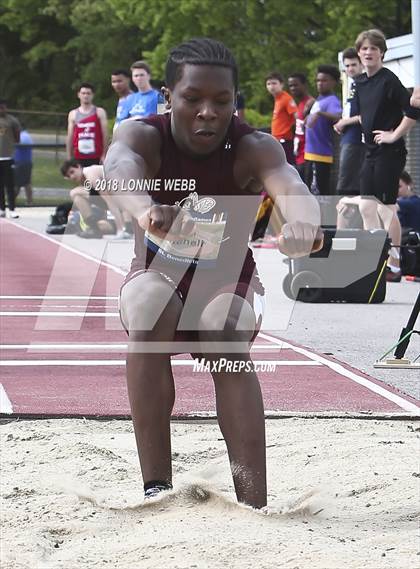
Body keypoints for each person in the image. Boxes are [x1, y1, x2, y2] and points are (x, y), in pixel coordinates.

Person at [104, 38, 322, 509]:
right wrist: (144, 210)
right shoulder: (142, 134)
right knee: (149, 305)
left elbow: (289, 183)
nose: (208, 112)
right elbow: (118, 167)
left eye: (221, 102)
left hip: (230, 284)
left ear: (235, 103)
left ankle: (253, 503)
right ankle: (156, 489)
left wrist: (304, 220)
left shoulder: (252, 146)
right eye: (193, 99)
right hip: (157, 278)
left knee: (223, 329)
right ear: (168, 97)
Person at [335, 29, 420, 282]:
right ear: (358, 53)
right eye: (364, 49)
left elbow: (413, 111)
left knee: (387, 208)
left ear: (382, 52)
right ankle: (374, 260)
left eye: (373, 48)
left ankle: (394, 264)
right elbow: (364, 115)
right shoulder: (360, 82)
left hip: (390, 152)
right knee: (366, 207)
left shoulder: (388, 79)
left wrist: (395, 135)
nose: (368, 52)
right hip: (370, 152)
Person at [60, 159, 131, 239]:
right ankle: (94, 228)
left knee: (75, 192)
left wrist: (120, 230)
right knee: (76, 195)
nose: (72, 177)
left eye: (72, 172)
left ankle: (126, 227)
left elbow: (110, 201)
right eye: (69, 176)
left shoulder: (91, 175)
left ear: (78, 167)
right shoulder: (84, 180)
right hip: (119, 197)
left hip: (129, 198)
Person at [304, 65, 342, 195]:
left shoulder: (332, 100)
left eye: (324, 80)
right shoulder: (319, 99)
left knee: (319, 193)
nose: (320, 83)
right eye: (318, 80)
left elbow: (337, 116)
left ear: (334, 83)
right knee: (308, 190)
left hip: (320, 154)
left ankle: (324, 215)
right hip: (309, 153)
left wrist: (320, 114)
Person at [334, 48, 364, 197]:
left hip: (357, 140)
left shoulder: (364, 85)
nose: (350, 69)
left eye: (353, 65)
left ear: (361, 64)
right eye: (347, 66)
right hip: (348, 138)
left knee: (347, 187)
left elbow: (365, 115)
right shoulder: (353, 84)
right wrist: (342, 123)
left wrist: (344, 122)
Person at [66, 83, 108, 166]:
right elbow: (69, 137)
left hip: (96, 156)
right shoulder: (73, 114)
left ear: (93, 95)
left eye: (88, 93)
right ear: (78, 95)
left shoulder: (100, 112)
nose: (86, 96)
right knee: (81, 178)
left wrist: (104, 155)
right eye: (83, 93)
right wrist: (69, 156)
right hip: (79, 156)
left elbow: (105, 135)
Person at [116, 61, 165, 125]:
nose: (139, 78)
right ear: (132, 79)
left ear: (149, 76)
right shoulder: (129, 99)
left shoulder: (159, 97)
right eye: (136, 76)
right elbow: (120, 121)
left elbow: (163, 120)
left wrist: (141, 119)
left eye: (142, 75)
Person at [287, 73, 315, 180]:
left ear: (304, 85)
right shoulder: (300, 104)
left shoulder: (310, 103)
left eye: (296, 85)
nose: (293, 88)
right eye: (290, 86)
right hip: (298, 154)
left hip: (307, 155)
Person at [265, 72, 296, 164]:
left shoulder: (286, 98)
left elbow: (296, 116)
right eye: (268, 84)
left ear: (281, 84)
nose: (271, 86)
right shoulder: (277, 99)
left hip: (285, 140)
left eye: (274, 83)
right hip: (277, 139)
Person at [0, 99, 21, 218]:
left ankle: (12, 209)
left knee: (10, 185)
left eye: (3, 107)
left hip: (8, 157)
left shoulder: (12, 121)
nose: (2, 110)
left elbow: (17, 137)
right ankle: (1, 209)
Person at [13, 123, 33, 206]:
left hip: (22, 163)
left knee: (17, 183)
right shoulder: (23, 135)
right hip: (23, 162)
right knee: (26, 183)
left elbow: (18, 143)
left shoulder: (24, 136)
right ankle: (29, 201)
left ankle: (11, 201)